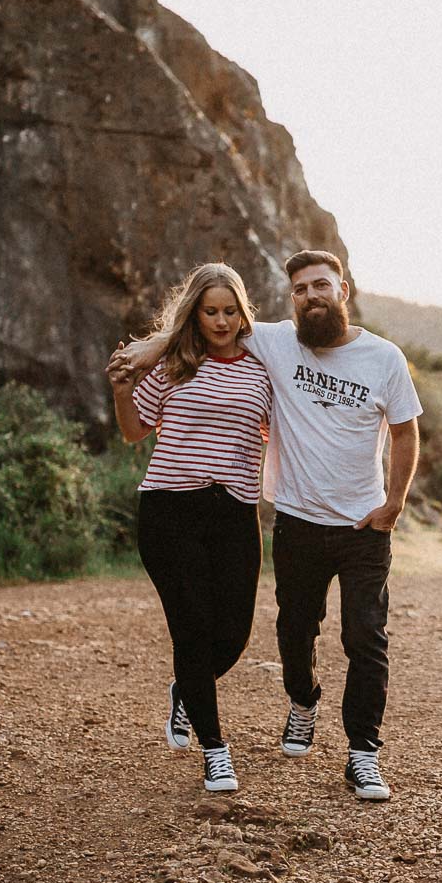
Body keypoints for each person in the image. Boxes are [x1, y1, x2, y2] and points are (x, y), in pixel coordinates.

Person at [115, 249, 420, 801]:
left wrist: (393, 505)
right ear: (291, 300)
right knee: (281, 632)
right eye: (300, 289)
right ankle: (259, 724)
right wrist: (143, 353)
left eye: (320, 286)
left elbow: (405, 432)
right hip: (265, 519)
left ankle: (362, 754)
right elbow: (199, 333)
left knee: (357, 637)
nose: (311, 296)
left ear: (342, 291)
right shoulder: (274, 344)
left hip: (337, 523)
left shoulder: (376, 358)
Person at [108, 262, 271, 794]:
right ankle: (215, 749)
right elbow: (134, 431)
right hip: (169, 510)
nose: (220, 321)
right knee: (192, 628)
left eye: (229, 311)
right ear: (194, 314)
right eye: (210, 311)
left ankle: (186, 690)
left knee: (234, 633)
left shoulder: (261, 369)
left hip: (235, 513)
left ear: (242, 313)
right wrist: (121, 388)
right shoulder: (174, 366)